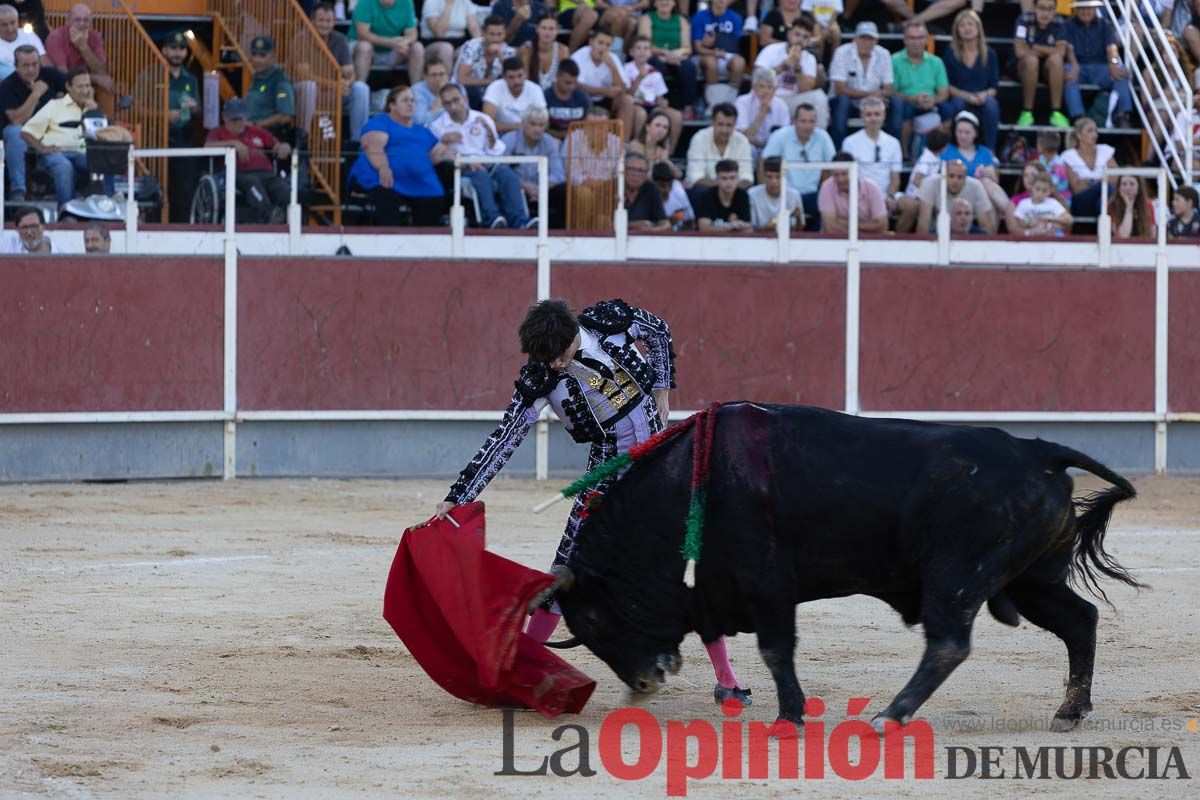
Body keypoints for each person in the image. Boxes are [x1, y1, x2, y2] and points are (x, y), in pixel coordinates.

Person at [436, 297, 752, 707]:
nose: (552, 366)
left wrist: (661, 387)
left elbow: (657, 330)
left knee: (691, 563)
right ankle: (517, 672)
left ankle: (727, 679)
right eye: (544, 359)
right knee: (566, 566)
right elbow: (504, 440)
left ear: (573, 337)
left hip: (664, 462)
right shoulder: (540, 379)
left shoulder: (608, 324)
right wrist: (458, 497)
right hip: (608, 469)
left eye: (559, 356)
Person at [430, 82, 536, 228]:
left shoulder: (483, 119)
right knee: (480, 174)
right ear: (443, 105)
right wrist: (444, 141)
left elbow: (495, 152)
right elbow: (434, 156)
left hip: (487, 162)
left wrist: (491, 138)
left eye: (456, 100)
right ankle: (492, 219)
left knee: (508, 176)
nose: (453, 107)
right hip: (460, 167)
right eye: (447, 103)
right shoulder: (437, 126)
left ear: (465, 99)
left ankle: (520, 220)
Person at [348, 85, 452, 226]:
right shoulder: (382, 121)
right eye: (405, 100)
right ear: (392, 105)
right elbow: (373, 145)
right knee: (385, 193)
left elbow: (441, 152)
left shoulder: (421, 130)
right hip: (385, 178)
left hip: (418, 181)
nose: (410, 104)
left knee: (434, 196)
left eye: (412, 101)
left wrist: (467, 161)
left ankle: (425, 240)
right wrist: (383, 167)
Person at [204, 97, 293, 225]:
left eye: (240, 118)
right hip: (237, 174)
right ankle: (269, 215)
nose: (238, 123)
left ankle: (291, 222)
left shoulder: (256, 131)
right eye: (233, 119)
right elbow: (207, 147)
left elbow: (276, 145)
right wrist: (233, 143)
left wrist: (283, 147)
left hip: (266, 174)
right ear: (224, 117)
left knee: (284, 189)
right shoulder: (217, 132)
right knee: (252, 182)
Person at [20, 66, 92, 207]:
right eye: (80, 86)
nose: (85, 91)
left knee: (101, 163)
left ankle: (105, 208)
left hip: (83, 154)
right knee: (64, 166)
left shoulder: (93, 109)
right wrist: (41, 148)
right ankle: (66, 212)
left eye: (88, 86)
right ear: (68, 87)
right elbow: (26, 132)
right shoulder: (54, 106)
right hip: (57, 154)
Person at [0, 43, 63, 203]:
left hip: (50, 135)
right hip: (20, 139)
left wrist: (63, 97)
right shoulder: (6, 86)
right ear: (16, 66)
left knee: (64, 165)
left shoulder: (49, 75)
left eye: (35, 64)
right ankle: (18, 190)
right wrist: (35, 95)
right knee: (15, 131)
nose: (31, 70)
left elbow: (73, 85)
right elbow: (16, 120)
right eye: (25, 65)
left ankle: (67, 205)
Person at [761, 101, 835, 230]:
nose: (807, 126)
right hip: (784, 193)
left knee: (827, 202)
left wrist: (823, 189)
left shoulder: (823, 137)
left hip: (812, 194)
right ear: (794, 121)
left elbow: (831, 167)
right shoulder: (780, 136)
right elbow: (764, 163)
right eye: (803, 121)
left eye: (811, 121)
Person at [304, 2, 370, 143]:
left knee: (361, 88)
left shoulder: (339, 39)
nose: (325, 25)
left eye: (329, 21)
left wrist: (347, 82)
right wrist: (334, 85)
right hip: (309, 94)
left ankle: (358, 142)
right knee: (308, 86)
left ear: (334, 22)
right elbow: (303, 75)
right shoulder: (302, 38)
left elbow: (350, 71)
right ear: (312, 21)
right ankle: (304, 137)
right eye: (321, 20)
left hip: (335, 92)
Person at [1062, 1, 1132, 129]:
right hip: (1079, 66)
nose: (1085, 11)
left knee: (1121, 71)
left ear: (1095, 9)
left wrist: (1113, 63)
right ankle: (1079, 117)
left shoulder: (1105, 25)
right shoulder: (1068, 25)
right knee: (1068, 71)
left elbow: (1111, 47)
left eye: (1089, 8)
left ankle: (1123, 115)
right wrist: (1074, 64)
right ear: (1076, 10)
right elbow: (1068, 47)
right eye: (1082, 8)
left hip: (1099, 67)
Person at [939, 8, 1000, 151]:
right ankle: (955, 148)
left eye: (970, 24)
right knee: (957, 105)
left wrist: (984, 95)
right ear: (957, 30)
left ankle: (989, 151)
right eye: (962, 25)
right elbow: (947, 85)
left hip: (982, 98)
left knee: (991, 105)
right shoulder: (950, 53)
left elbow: (994, 87)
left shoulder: (990, 54)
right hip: (960, 97)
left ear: (978, 28)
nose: (967, 28)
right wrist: (967, 96)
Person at [828, 21, 893, 148]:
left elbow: (888, 88)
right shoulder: (842, 52)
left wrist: (875, 96)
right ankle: (838, 152)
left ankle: (893, 148)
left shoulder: (884, 54)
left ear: (876, 41)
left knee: (896, 102)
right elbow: (839, 89)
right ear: (855, 39)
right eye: (863, 38)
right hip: (847, 102)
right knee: (842, 101)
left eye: (870, 39)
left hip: (873, 103)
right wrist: (871, 95)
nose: (866, 42)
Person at [754, 17, 829, 127]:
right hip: (770, 98)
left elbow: (806, 89)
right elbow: (756, 76)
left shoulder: (809, 58)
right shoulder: (771, 50)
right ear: (789, 34)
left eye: (805, 37)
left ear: (808, 40)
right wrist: (782, 67)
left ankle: (819, 138)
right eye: (797, 34)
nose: (800, 40)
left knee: (819, 97)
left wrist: (798, 68)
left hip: (793, 100)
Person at [571, 26, 641, 141]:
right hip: (584, 98)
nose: (603, 48)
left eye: (608, 45)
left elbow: (623, 89)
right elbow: (576, 86)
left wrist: (612, 67)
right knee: (581, 95)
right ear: (591, 42)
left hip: (606, 99)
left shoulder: (612, 58)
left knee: (626, 100)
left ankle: (623, 145)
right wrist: (605, 91)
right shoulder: (579, 56)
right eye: (600, 43)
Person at [500, 104, 566, 225]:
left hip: (543, 188)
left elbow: (558, 174)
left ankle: (559, 231)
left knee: (563, 190)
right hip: (517, 188)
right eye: (533, 124)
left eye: (541, 125)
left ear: (546, 126)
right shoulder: (509, 140)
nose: (537, 129)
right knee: (506, 185)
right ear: (523, 124)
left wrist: (541, 187)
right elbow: (501, 171)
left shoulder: (550, 142)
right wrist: (526, 186)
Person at [888, 21, 948, 153]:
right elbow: (890, 91)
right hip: (905, 105)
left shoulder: (936, 62)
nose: (916, 42)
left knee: (950, 109)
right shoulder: (894, 60)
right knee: (903, 108)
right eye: (912, 38)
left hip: (931, 105)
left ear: (927, 40)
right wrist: (913, 99)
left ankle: (945, 152)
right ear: (905, 40)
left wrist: (933, 100)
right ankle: (903, 153)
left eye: (920, 38)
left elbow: (943, 93)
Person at [1011, 0, 1070, 128]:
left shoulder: (1060, 22)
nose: (1046, 13)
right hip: (1023, 67)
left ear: (1055, 10)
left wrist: (1033, 46)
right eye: (1042, 8)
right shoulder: (1024, 20)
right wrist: (1048, 50)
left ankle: (1056, 112)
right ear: (1033, 7)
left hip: (1047, 69)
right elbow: (1019, 52)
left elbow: (1061, 53)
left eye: (1050, 9)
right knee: (1032, 60)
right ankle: (1027, 112)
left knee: (1056, 60)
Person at [941, 109, 1007, 217]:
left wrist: (985, 172)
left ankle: (1008, 217)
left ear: (975, 133)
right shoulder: (947, 151)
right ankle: (1013, 216)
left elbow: (994, 179)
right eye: (959, 132)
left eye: (967, 132)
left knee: (987, 184)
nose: (962, 136)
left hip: (980, 195)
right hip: (954, 192)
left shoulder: (984, 152)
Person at [840, 95, 902, 208]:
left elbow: (895, 178)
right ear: (861, 116)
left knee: (910, 206)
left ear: (884, 116)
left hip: (887, 196)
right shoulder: (849, 142)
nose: (873, 118)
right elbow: (848, 177)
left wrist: (889, 196)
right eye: (869, 115)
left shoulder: (894, 143)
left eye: (877, 114)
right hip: (860, 196)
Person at [639, 0, 697, 117]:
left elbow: (687, 48)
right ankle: (657, 105)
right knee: (656, 65)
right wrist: (665, 54)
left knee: (688, 67)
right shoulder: (647, 18)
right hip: (654, 55)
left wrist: (677, 54)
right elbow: (645, 44)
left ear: (674, 3)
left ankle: (688, 108)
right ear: (654, 3)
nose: (664, 2)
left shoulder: (681, 20)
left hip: (676, 57)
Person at [43, 3, 113, 97]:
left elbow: (101, 71)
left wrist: (83, 47)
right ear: (68, 21)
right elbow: (63, 75)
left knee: (106, 84)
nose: (82, 24)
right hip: (60, 86)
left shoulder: (95, 37)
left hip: (86, 85)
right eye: (77, 20)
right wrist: (95, 78)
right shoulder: (56, 37)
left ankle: (103, 112)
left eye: (86, 20)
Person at [350, 0, 426, 84]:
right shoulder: (365, 2)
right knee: (364, 47)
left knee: (417, 48)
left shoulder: (406, 2)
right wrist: (390, 43)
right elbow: (362, 34)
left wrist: (404, 42)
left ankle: (417, 92)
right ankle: (360, 88)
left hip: (392, 50)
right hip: (363, 50)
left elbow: (412, 33)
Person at [624, 37, 680, 147]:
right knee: (641, 114)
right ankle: (637, 146)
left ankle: (669, 151)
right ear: (631, 52)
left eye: (646, 48)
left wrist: (662, 101)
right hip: (635, 104)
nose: (642, 51)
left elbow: (659, 96)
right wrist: (640, 77)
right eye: (638, 48)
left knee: (676, 115)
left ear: (650, 53)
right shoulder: (626, 69)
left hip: (652, 105)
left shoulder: (655, 72)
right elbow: (627, 94)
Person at [916, 157, 996, 233]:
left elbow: (986, 226)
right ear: (943, 176)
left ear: (965, 179)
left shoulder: (976, 186)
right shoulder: (930, 183)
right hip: (937, 232)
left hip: (968, 233)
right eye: (951, 176)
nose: (955, 181)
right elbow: (923, 224)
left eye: (960, 177)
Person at [685, 102, 752, 192]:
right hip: (706, 192)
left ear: (735, 124)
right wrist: (724, 186)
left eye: (729, 125)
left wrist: (729, 189)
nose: (724, 130)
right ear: (713, 122)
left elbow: (747, 178)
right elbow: (695, 178)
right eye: (720, 124)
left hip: (735, 192)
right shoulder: (699, 139)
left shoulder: (742, 141)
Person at [817, 151, 889, 233]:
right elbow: (830, 227)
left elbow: (882, 225)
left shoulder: (872, 188)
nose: (840, 179)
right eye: (836, 175)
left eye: (844, 174)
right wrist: (866, 229)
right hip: (835, 242)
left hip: (870, 243)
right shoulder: (827, 187)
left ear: (855, 171)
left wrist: (846, 223)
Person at [895, 127, 948, 232]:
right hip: (915, 196)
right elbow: (916, 180)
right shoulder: (926, 158)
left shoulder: (935, 158)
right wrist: (930, 193)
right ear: (943, 147)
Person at [692, 0, 746, 104]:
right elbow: (698, 48)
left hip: (726, 56)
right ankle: (714, 102)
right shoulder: (699, 17)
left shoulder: (735, 18)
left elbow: (733, 46)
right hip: (704, 56)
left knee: (739, 62)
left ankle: (731, 101)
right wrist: (709, 48)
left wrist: (717, 40)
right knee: (711, 61)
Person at [1061, 115, 1116, 217]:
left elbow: (1116, 178)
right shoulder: (1069, 156)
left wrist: (1088, 182)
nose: (1094, 134)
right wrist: (1101, 181)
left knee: (1103, 199)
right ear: (1078, 135)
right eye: (1090, 131)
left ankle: (1104, 227)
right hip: (1081, 201)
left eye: (1095, 131)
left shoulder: (1105, 150)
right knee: (1106, 188)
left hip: (1103, 199)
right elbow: (1076, 188)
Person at [244, 36, 295, 142]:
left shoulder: (280, 82)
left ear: (272, 56)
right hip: (248, 132)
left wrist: (256, 125)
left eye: (263, 55)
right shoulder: (257, 78)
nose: (257, 60)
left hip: (268, 136)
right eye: (254, 54)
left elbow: (285, 116)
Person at [735, 68, 789, 162]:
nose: (766, 91)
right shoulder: (742, 102)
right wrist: (761, 114)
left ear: (775, 89)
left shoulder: (781, 105)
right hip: (751, 146)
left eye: (769, 87)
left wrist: (770, 146)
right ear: (754, 87)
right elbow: (742, 138)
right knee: (748, 149)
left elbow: (785, 135)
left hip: (774, 147)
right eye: (762, 87)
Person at [483, 56, 546, 134]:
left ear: (525, 74)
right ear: (504, 77)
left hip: (529, 135)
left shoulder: (535, 89)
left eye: (520, 76)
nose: (517, 81)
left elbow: (544, 121)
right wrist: (519, 126)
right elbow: (488, 123)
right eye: (511, 77)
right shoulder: (494, 87)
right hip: (500, 135)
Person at [418, 0, 482, 69]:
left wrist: (480, 44)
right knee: (447, 49)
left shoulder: (465, 2)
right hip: (435, 42)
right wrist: (448, 5)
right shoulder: (431, 2)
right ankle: (445, 79)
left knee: (468, 50)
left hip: (458, 42)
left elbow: (474, 28)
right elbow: (439, 33)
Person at [1007, 170, 1072, 237]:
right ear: (1032, 188)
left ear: (1050, 191)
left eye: (1044, 190)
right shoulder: (1024, 203)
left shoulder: (1053, 203)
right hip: (1031, 239)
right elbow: (1018, 221)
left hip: (1051, 239)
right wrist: (1030, 222)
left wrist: (1051, 218)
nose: (1040, 193)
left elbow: (1068, 219)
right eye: (1037, 189)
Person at [696, 158, 753, 231]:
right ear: (716, 180)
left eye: (732, 178)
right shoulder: (707, 196)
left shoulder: (742, 195)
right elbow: (703, 228)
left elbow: (749, 227)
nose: (728, 182)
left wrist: (740, 226)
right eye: (724, 178)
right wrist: (730, 226)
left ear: (738, 179)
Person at [749, 155, 803, 230]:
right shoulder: (752, 194)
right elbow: (751, 229)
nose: (774, 182)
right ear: (764, 176)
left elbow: (799, 230)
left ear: (785, 177)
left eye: (778, 177)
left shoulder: (794, 195)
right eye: (769, 177)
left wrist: (798, 219)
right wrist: (767, 228)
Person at [520, 10, 568, 93]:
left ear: (557, 30)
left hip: (554, 96)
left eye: (551, 29)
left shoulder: (562, 50)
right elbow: (524, 79)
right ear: (537, 29)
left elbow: (564, 80)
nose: (547, 32)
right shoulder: (527, 49)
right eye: (544, 28)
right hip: (532, 95)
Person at [622, 151, 670, 230]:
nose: (636, 174)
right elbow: (602, 225)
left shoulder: (651, 189)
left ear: (646, 174)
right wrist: (633, 226)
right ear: (623, 170)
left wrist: (651, 231)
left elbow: (666, 224)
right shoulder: (611, 189)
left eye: (641, 171)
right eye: (632, 169)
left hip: (644, 240)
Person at [0, 3, 48, 78]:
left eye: (13, 23)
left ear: (18, 21)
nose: (10, 28)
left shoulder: (29, 35)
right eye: (4, 25)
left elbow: (44, 62)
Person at [1107, 174, 1154, 240]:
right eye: (1124, 184)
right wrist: (1129, 207)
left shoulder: (1147, 204)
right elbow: (1123, 236)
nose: (1128, 188)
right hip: (1118, 247)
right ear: (1119, 187)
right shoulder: (1112, 205)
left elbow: (1152, 234)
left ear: (1139, 187)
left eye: (1132, 184)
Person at [653, 159, 694, 228]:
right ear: (654, 183)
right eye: (662, 186)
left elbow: (691, 222)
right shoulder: (647, 195)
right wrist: (669, 221)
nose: (667, 189)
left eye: (670, 185)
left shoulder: (678, 191)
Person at [412, 55, 450, 126]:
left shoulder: (457, 87)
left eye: (441, 74)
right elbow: (420, 122)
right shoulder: (417, 90)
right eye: (433, 75)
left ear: (447, 76)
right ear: (425, 77)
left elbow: (467, 114)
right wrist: (440, 97)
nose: (438, 79)